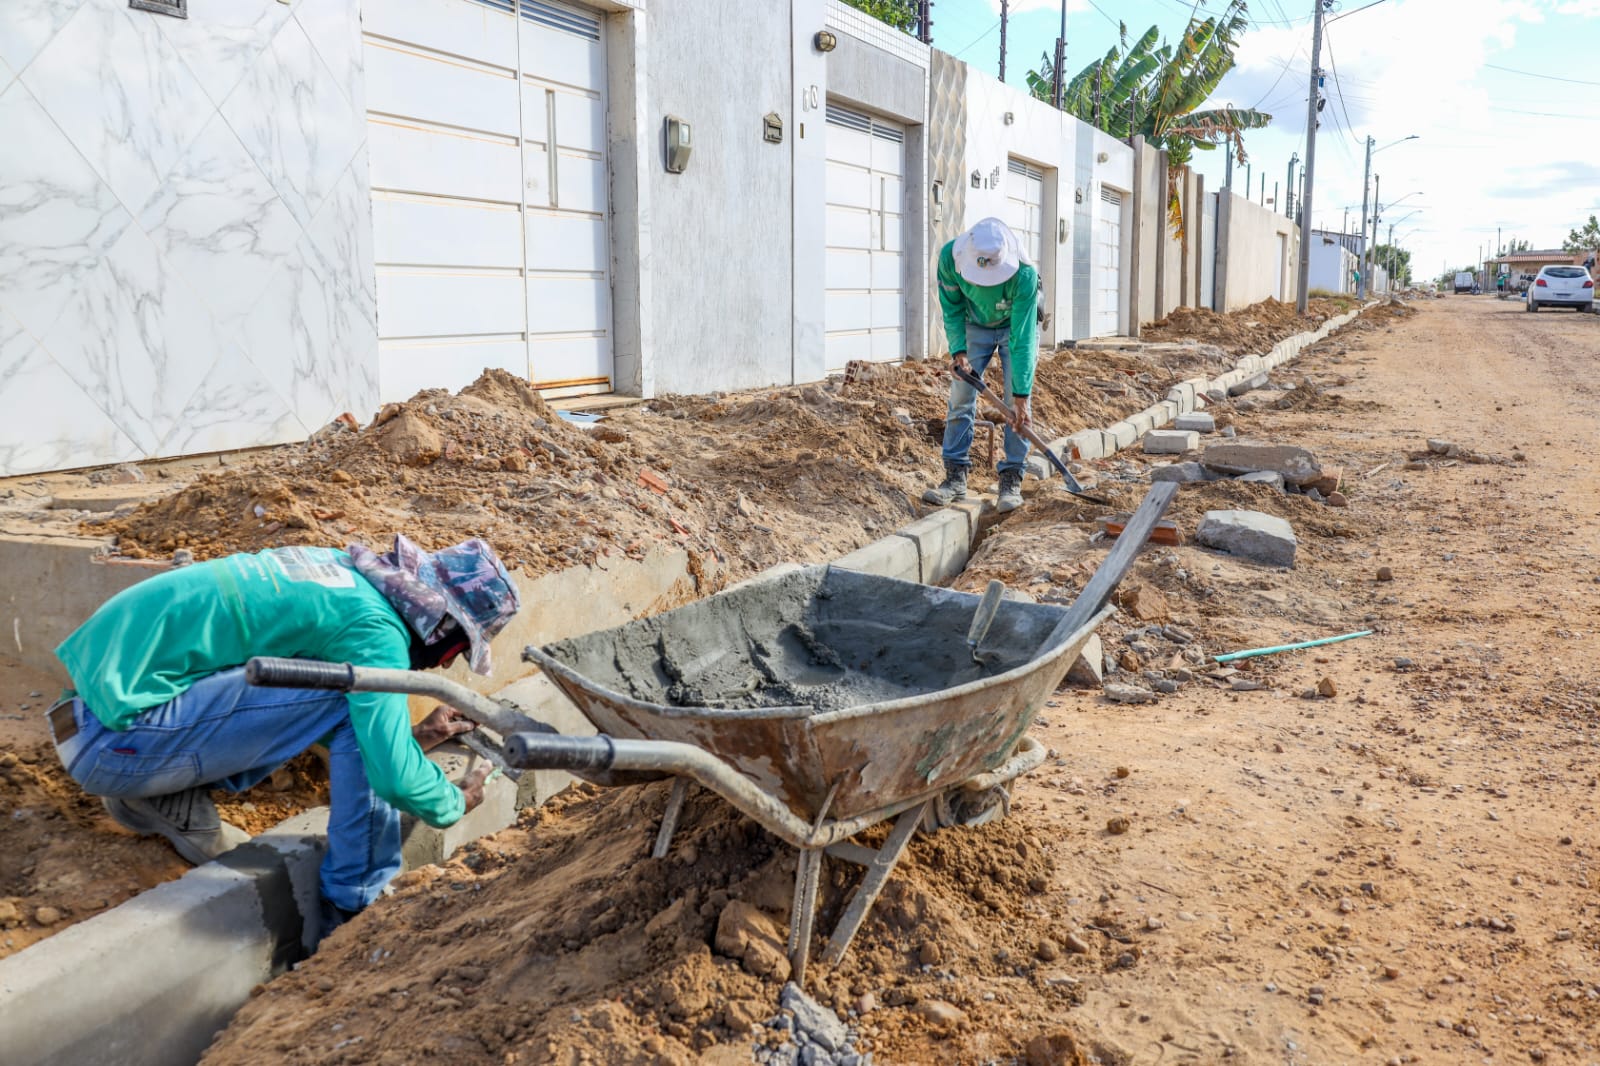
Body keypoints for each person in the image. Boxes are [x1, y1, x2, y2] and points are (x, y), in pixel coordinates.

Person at [47, 536, 521, 935]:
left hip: (98, 719)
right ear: (441, 626)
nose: (444, 665)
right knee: (350, 691)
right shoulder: (375, 632)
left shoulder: (341, 574)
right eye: (455, 651)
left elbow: (285, 708)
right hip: (116, 744)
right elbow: (393, 779)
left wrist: (409, 737)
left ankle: (156, 794)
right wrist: (453, 800)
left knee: (342, 692)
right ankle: (355, 903)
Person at [924, 217, 1039, 514]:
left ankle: (1011, 478)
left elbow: (1023, 341)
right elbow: (951, 308)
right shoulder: (950, 259)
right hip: (973, 324)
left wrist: (1021, 396)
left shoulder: (1024, 275)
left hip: (1014, 328)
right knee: (961, 397)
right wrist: (959, 351)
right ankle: (955, 476)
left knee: (1016, 407)